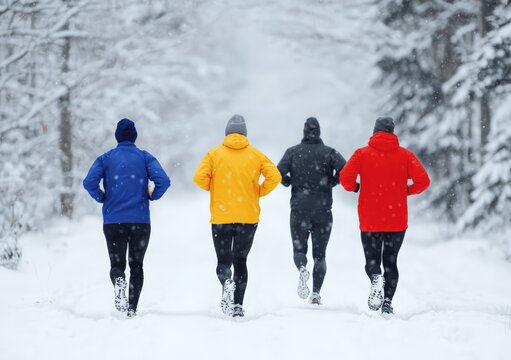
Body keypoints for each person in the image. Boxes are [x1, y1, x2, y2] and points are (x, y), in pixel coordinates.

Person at [340, 117, 430, 317]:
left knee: (372, 259)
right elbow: (423, 181)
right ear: (392, 132)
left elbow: (345, 178)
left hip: (370, 219)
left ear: (375, 132)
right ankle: (387, 303)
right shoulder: (405, 156)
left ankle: (375, 276)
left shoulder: (361, 154)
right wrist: (406, 191)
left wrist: (356, 187)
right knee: (391, 261)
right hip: (396, 219)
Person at [193, 115, 281, 318]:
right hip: (248, 217)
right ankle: (238, 306)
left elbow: (199, 178)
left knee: (224, 261)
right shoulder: (256, 155)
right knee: (241, 260)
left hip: (221, 216)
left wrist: (213, 187)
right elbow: (275, 176)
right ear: (245, 134)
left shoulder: (214, 154)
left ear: (227, 133)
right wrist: (258, 191)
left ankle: (226, 281)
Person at [83, 118, 170, 318]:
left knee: (117, 265)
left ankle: (119, 281)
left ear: (117, 137)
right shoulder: (144, 157)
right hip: (140, 220)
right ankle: (131, 308)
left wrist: (102, 197)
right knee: (137, 265)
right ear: (134, 137)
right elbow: (163, 180)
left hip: (113, 221)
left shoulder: (105, 158)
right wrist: (152, 195)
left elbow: (89, 182)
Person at [277, 117, 346, 305]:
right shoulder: (330, 153)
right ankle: (315, 293)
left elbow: (277, 173)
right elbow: (346, 170)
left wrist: (288, 182)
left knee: (299, 249)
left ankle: (301, 268)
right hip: (323, 210)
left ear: (304, 132)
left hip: (299, 209)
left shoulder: (292, 152)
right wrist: (332, 181)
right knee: (320, 255)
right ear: (319, 132)